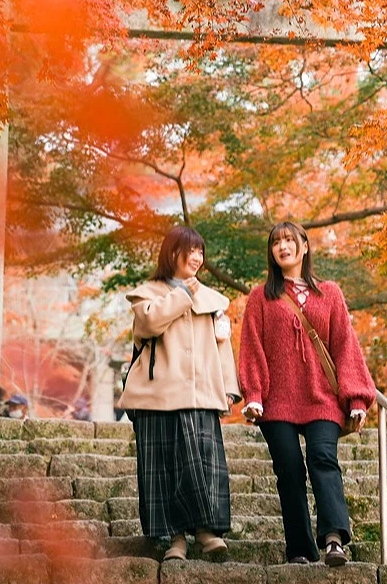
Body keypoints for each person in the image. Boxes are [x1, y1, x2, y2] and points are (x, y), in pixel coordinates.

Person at [238, 221, 376, 567]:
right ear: (271, 252)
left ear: (304, 246)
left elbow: (345, 347)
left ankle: (333, 540)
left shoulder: (329, 292)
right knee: (288, 470)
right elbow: (251, 347)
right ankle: (299, 548)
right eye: (276, 242)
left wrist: (357, 398)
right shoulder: (261, 296)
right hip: (277, 402)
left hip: (322, 399)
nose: (282, 246)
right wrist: (253, 394)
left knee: (323, 460)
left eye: (289, 240)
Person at [116, 225, 241, 561]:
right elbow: (151, 324)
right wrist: (184, 294)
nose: (197, 257)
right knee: (163, 469)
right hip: (156, 396)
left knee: (201, 466)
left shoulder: (213, 300)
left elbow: (222, 346)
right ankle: (176, 539)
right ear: (171, 253)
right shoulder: (147, 294)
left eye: (201, 251)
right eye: (191, 250)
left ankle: (205, 532)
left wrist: (228, 388)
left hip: (199, 396)